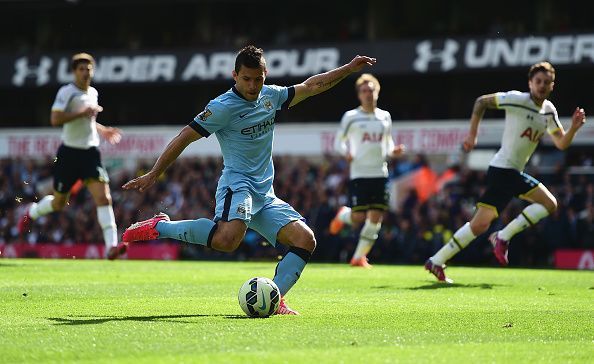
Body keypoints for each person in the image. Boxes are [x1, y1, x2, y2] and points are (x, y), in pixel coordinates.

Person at [120, 45, 376, 315]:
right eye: (246, 79)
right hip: (237, 184)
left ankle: (275, 298)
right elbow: (185, 135)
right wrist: (154, 173)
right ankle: (162, 227)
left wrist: (348, 69)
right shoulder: (221, 108)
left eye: (258, 79)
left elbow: (311, 86)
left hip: (265, 193)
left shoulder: (271, 96)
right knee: (228, 240)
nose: (253, 86)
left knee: (305, 240)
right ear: (235, 75)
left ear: (265, 75)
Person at [425, 61, 587, 282]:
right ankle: (499, 237)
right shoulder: (517, 100)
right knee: (543, 206)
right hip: (503, 170)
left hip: (511, 172)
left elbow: (561, 143)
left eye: (546, 82)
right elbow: (481, 102)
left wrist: (574, 129)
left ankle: (437, 260)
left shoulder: (549, 111)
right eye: (538, 81)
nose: (541, 85)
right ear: (530, 83)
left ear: (552, 86)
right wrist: (473, 135)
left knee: (484, 223)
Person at [17, 53, 125, 260]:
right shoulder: (67, 92)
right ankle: (32, 212)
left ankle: (111, 247)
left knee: (104, 197)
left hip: (90, 153)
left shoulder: (93, 92)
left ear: (93, 71)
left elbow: (88, 120)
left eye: (88, 69)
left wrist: (103, 130)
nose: (85, 72)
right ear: (74, 72)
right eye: (81, 69)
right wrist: (82, 113)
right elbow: (55, 119)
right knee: (59, 203)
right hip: (69, 154)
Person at [329, 73, 404, 268]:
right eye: (364, 90)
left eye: (371, 89)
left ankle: (358, 257)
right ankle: (342, 215)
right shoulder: (351, 117)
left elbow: (387, 144)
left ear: (377, 91)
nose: (368, 93)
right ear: (359, 95)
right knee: (358, 217)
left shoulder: (385, 116)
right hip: (359, 173)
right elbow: (338, 142)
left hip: (380, 172)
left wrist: (393, 150)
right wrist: (346, 152)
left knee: (376, 216)